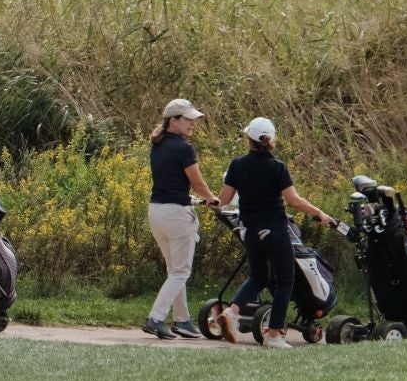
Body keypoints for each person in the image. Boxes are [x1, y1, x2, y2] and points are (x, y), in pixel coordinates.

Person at [217, 116, 337, 349]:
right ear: (271, 141)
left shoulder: (237, 164)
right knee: (285, 281)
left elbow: (223, 200)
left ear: (249, 139)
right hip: (275, 230)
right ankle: (273, 334)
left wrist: (209, 201)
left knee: (258, 277)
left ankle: (232, 312)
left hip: (250, 230)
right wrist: (319, 213)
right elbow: (294, 201)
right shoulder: (277, 167)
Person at [142, 97, 221, 340]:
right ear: (173, 121)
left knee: (174, 270)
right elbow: (198, 183)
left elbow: (172, 182)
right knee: (180, 272)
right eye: (188, 119)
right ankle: (155, 318)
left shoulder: (159, 144)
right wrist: (212, 199)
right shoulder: (184, 147)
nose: (192, 123)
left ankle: (182, 320)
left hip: (157, 212)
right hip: (176, 215)